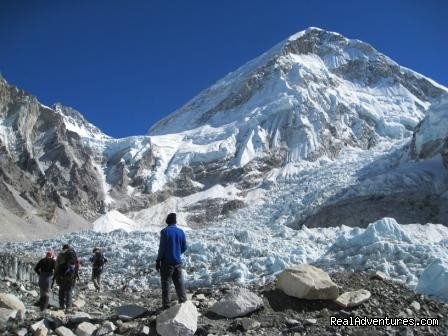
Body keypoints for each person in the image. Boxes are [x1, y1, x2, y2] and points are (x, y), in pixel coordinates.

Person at [156, 213, 188, 309]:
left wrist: (158, 260)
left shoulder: (165, 232)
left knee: (166, 284)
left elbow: (162, 248)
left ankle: (167, 307)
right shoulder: (181, 232)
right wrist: (177, 253)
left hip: (167, 263)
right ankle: (184, 304)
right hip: (178, 262)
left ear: (168, 221)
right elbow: (184, 247)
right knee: (179, 284)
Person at [54, 244, 79, 310]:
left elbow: (57, 265)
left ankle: (61, 305)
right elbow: (77, 265)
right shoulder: (73, 254)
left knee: (61, 290)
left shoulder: (61, 254)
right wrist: (75, 274)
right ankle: (68, 307)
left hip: (61, 275)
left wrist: (56, 275)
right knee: (69, 290)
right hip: (71, 275)